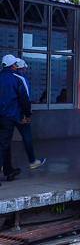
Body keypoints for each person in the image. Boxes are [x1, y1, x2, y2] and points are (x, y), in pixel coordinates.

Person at [0, 54, 31, 182]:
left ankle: (9, 170)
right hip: (8, 117)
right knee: (3, 145)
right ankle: (7, 170)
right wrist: (27, 114)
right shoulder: (17, 78)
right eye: (16, 64)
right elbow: (24, 99)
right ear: (13, 65)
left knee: (4, 143)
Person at [15, 59, 46, 169]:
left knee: (4, 139)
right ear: (22, 68)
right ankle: (32, 161)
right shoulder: (22, 79)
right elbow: (25, 98)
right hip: (19, 114)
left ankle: (2, 164)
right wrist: (26, 114)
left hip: (5, 114)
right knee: (27, 137)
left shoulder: (3, 77)